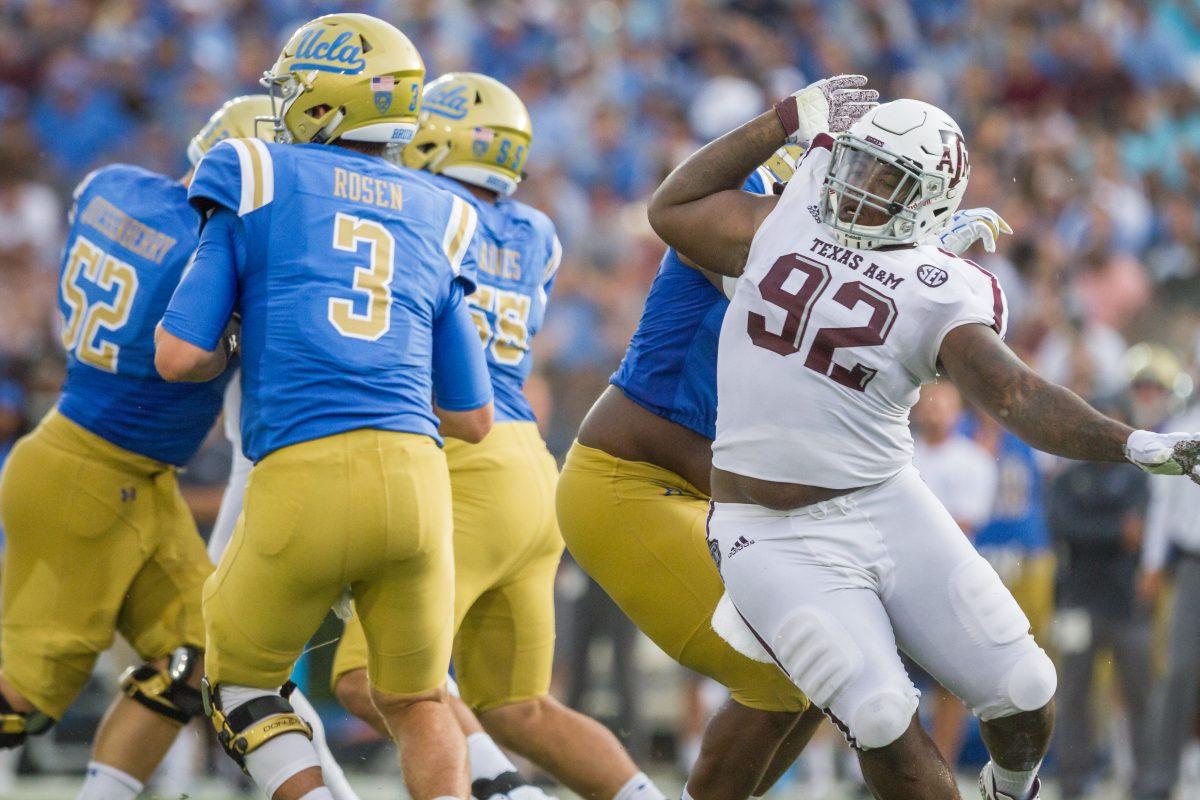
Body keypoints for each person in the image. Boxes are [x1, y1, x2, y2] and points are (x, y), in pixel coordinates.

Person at [647, 78, 1200, 800]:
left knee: (1027, 686)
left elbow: (1018, 394)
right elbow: (672, 207)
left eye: (888, 178)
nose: (859, 186)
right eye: (858, 163)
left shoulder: (937, 286)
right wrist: (781, 120)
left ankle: (1011, 789)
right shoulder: (788, 218)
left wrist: (1128, 441)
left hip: (884, 503)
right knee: (878, 714)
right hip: (770, 529)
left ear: (929, 200)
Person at [557, 83, 1008, 800]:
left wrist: (921, 255)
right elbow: (809, 293)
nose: (867, 193)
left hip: (694, 485)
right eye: (865, 171)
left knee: (818, 672)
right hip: (628, 479)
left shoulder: (829, 236)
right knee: (795, 666)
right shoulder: (756, 227)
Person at [155, 14, 494, 800]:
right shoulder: (444, 210)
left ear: (326, 100)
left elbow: (177, 356)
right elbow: (473, 415)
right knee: (415, 698)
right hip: (418, 483)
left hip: (305, 472)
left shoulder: (258, 171)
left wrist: (256, 338)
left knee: (237, 685)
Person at [321, 71, 665, 800]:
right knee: (519, 706)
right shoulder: (535, 231)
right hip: (531, 470)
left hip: (462, 461)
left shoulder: (422, 211)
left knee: (367, 679)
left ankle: (507, 792)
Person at [0, 96, 266, 800]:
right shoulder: (214, 253)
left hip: (113, 469)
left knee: (194, 657)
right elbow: (189, 352)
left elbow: (94, 204)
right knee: (18, 700)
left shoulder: (115, 183)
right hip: (92, 478)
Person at [190, 95, 361, 800]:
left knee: (234, 672)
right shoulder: (344, 223)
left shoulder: (258, 227)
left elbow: (181, 352)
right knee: (395, 686)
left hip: (282, 470)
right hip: (396, 464)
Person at [1047, 396, 1154, 800]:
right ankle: (1073, 779)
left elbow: (1140, 530)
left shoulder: (1139, 477)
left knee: (1139, 690)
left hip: (1128, 600)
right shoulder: (1068, 477)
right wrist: (1115, 532)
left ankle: (1147, 779)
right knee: (1073, 693)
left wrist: (1095, 528)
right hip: (1077, 597)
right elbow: (1064, 527)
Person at [911, 380, 998, 766]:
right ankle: (900, 764)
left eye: (942, 402)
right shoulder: (898, 453)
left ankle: (941, 759)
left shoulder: (973, 459)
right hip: (894, 575)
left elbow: (964, 523)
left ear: (958, 411)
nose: (933, 409)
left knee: (950, 680)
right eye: (927, 401)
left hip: (948, 578)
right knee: (894, 677)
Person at [1135, 392, 1200, 800]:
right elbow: (1163, 500)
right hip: (1194, 562)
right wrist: (1153, 561)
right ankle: (1158, 778)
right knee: (1179, 668)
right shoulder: (1187, 421)